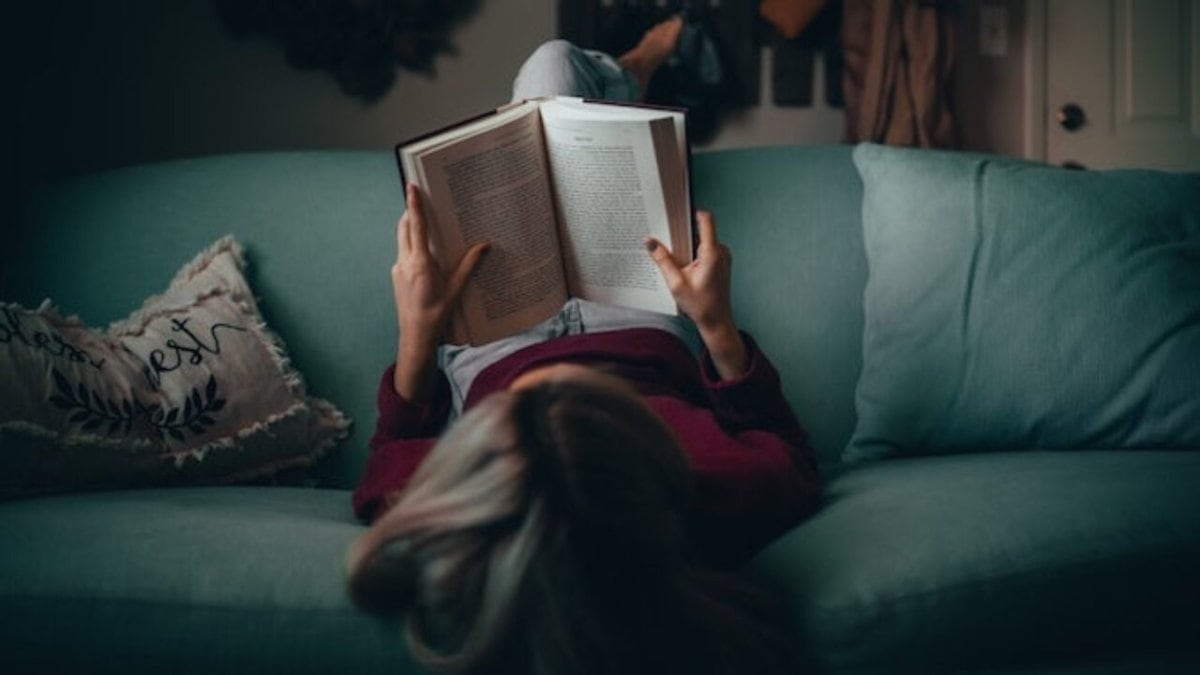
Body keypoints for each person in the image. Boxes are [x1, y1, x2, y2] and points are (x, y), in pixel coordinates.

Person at [345, 19, 821, 675]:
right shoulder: (711, 491)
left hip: (494, 341)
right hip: (632, 321)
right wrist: (716, 325)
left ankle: (630, 73)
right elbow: (790, 450)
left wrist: (418, 335)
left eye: (522, 418)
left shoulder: (458, 520)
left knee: (543, 90)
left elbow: (386, 465)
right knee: (557, 78)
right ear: (638, 463)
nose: (558, 386)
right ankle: (638, 67)